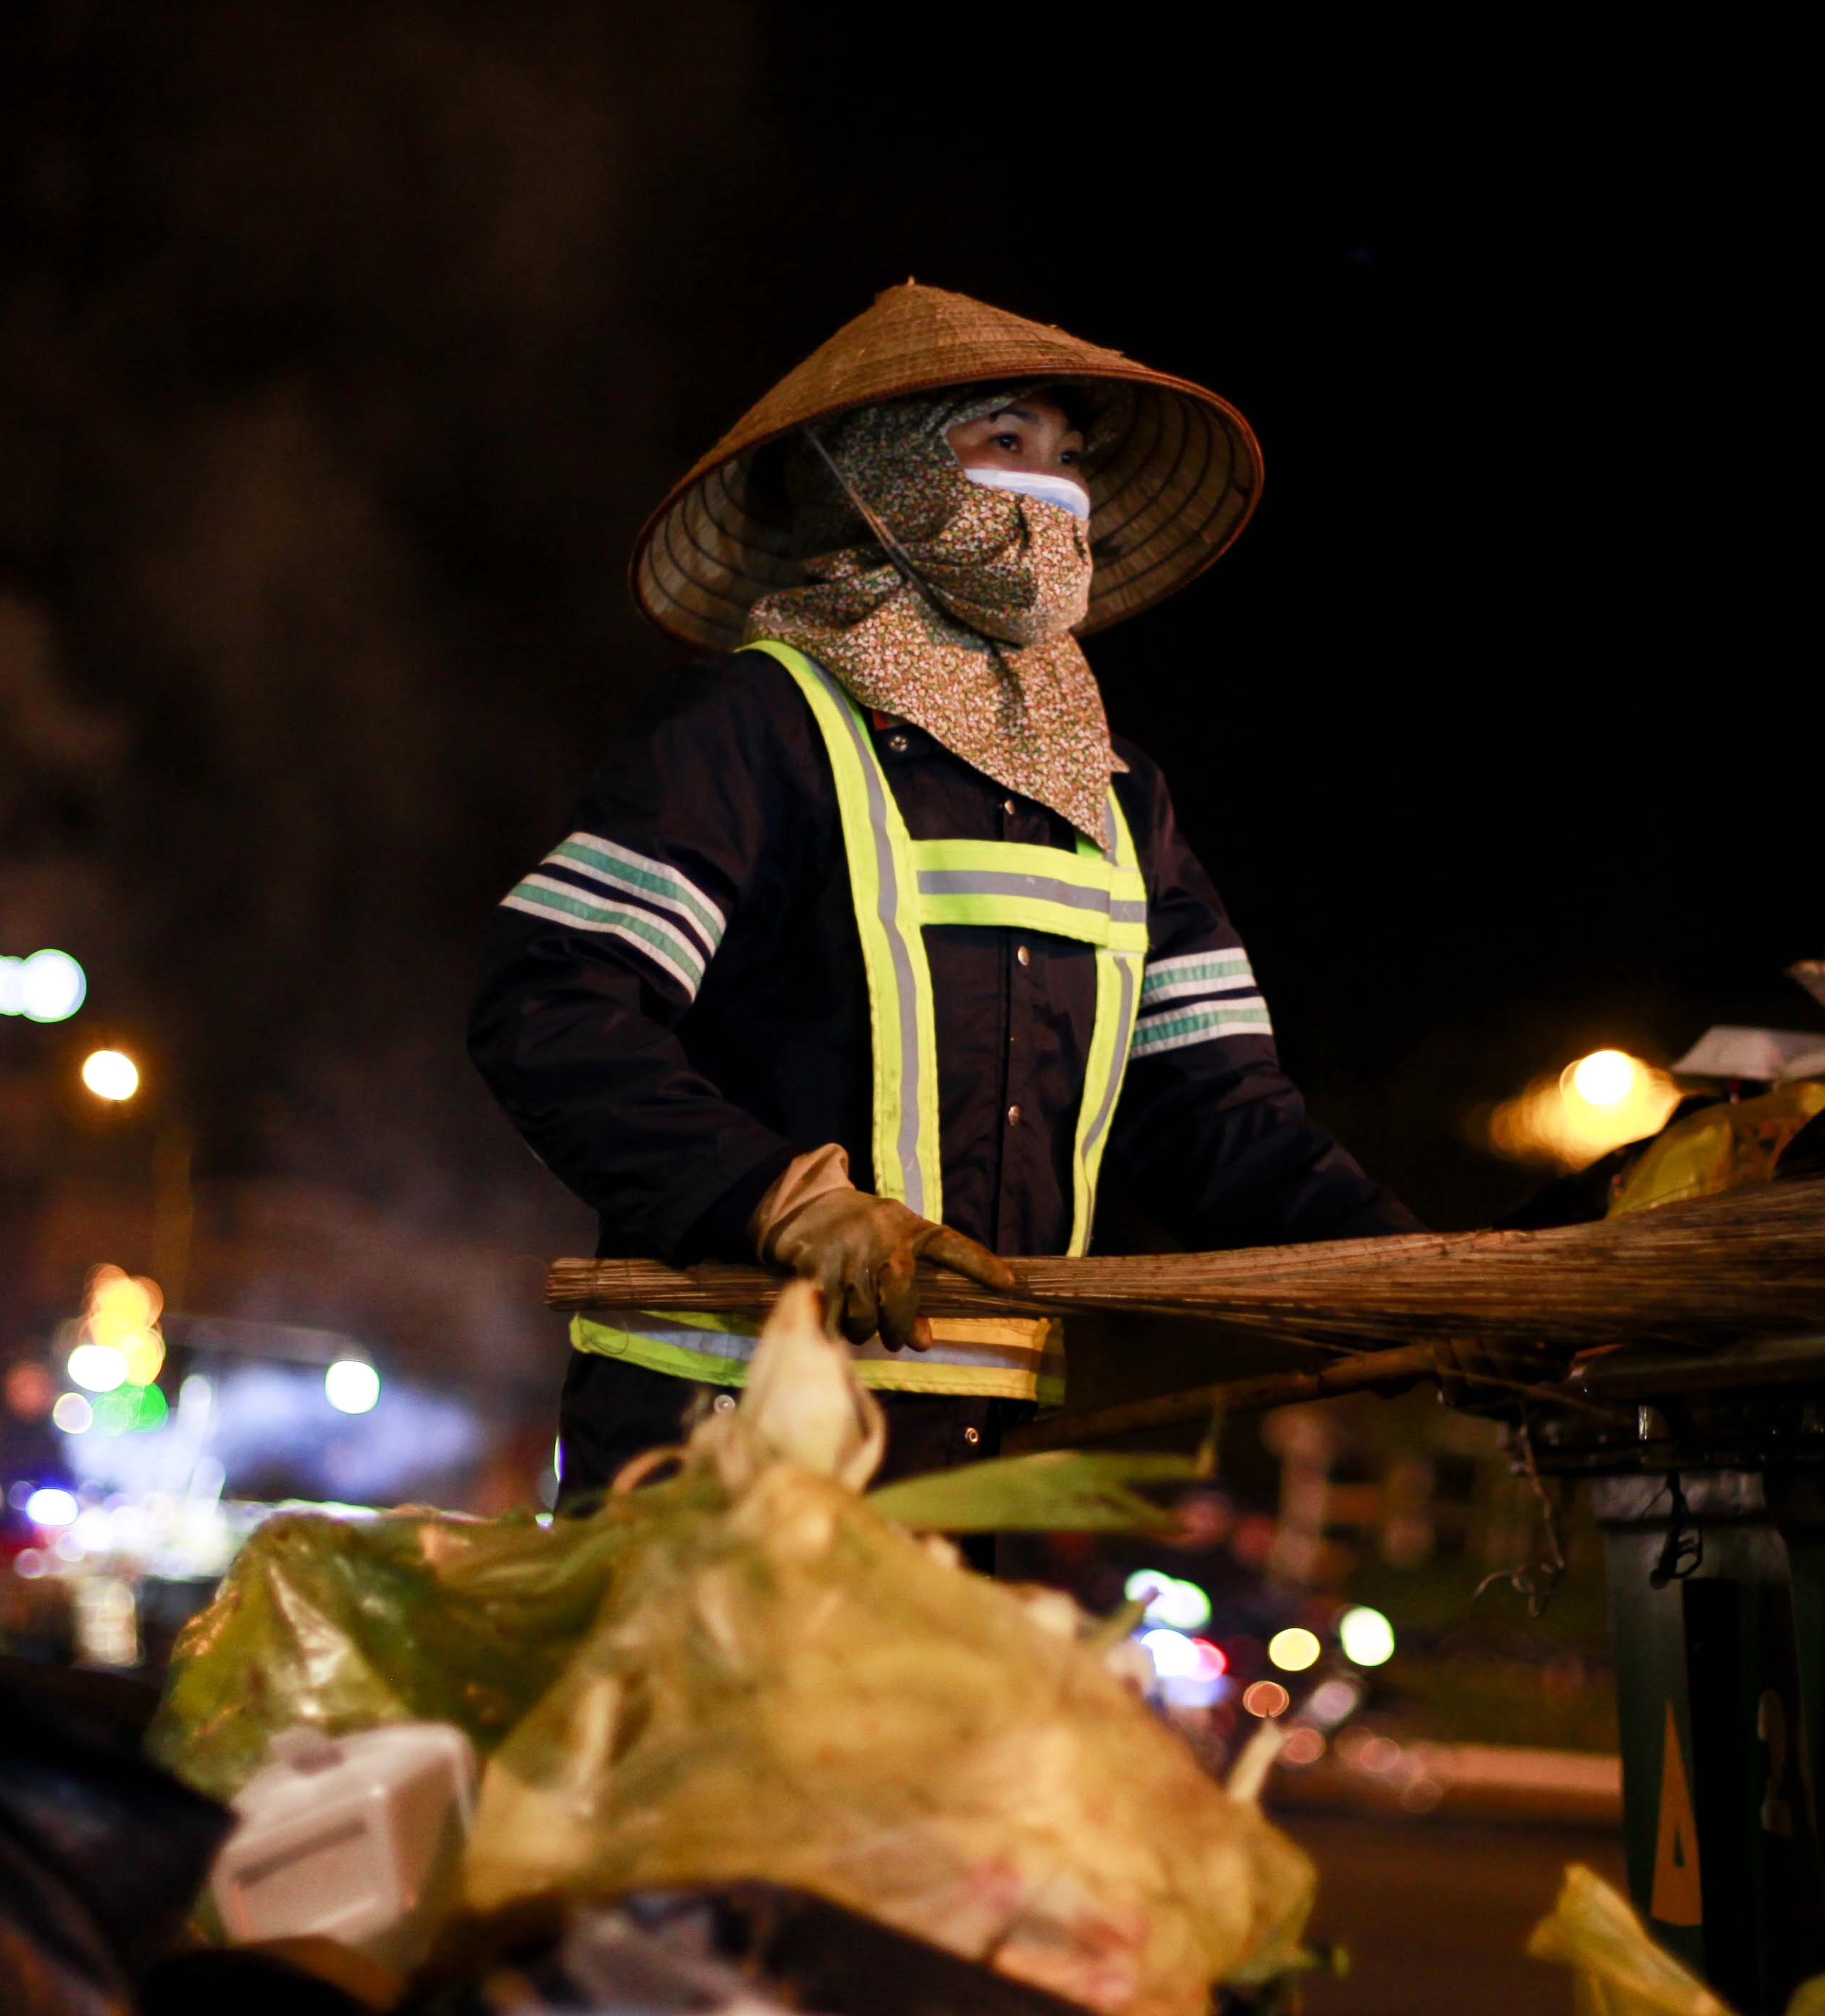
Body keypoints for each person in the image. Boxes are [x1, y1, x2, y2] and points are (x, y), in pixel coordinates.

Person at [475, 282, 1414, 1492]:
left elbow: (1217, 1120)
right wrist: (778, 1204)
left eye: (1067, 456)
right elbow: (550, 1006)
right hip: (722, 1449)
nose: (1055, 490)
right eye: (1005, 441)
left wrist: (1407, 1278)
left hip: (982, 1464)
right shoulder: (754, 727)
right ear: (882, 470)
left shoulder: (1122, 796)